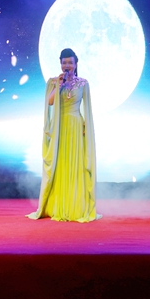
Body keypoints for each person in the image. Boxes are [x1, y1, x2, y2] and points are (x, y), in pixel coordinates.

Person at [26, 48, 101, 222]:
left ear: (76, 64)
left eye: (70, 62)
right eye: (64, 62)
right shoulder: (53, 82)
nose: (67, 65)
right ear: (60, 64)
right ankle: (57, 204)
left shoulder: (83, 83)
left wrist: (86, 125)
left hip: (75, 126)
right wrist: (59, 85)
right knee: (59, 164)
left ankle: (75, 205)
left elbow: (87, 109)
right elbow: (50, 102)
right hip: (59, 127)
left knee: (75, 164)